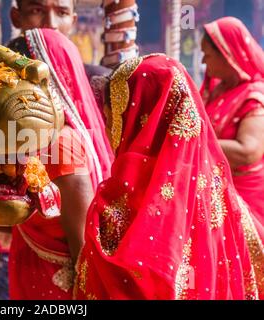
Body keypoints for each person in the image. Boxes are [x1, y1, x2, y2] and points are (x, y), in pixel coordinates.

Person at [74, 54, 264, 300]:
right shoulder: (224, 198)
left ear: (133, 120)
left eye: (111, 118)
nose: (108, 128)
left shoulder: (123, 201)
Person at [8, 29, 113, 300]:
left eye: (16, 78)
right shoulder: (36, 137)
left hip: (57, 287)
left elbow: (83, 247)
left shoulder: (61, 144)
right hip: (37, 274)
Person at [201, 17, 264, 223]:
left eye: (207, 55)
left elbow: (248, 151)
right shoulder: (216, 90)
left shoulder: (254, 95)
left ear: (227, 55)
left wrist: (196, 141)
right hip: (214, 192)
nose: (203, 61)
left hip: (246, 201)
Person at [9, 0, 112, 99]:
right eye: (37, 11)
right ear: (16, 17)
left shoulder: (100, 83)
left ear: (73, 21)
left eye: (62, 13)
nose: (51, 24)